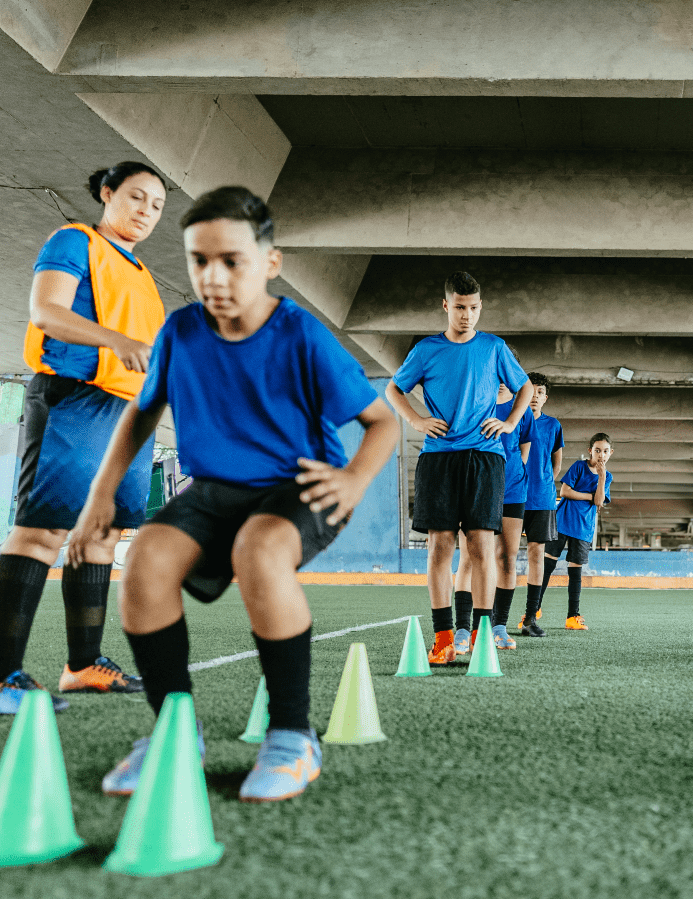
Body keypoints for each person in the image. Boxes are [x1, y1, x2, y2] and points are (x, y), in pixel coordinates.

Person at [69, 186, 399, 801]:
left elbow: (384, 423)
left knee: (260, 551)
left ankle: (293, 735)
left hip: (298, 487)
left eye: (232, 260)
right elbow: (141, 413)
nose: (213, 276)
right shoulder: (181, 332)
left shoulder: (302, 335)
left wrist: (353, 479)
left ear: (269, 263)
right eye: (199, 260)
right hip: (217, 489)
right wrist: (101, 494)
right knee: (143, 562)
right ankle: (174, 733)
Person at [0, 162, 168, 714]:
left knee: (102, 535)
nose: (146, 210)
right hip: (74, 397)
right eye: (137, 197)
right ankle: (2, 677)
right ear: (107, 192)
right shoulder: (74, 241)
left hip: (129, 415)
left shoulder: (143, 276)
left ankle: (82, 666)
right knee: (40, 532)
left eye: (157, 205)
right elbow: (45, 311)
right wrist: (114, 340)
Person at [387, 272, 532, 665]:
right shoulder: (426, 349)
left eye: (474, 308)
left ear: (479, 307)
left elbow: (526, 388)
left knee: (482, 546)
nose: (467, 315)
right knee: (440, 547)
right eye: (461, 307)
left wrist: (510, 422)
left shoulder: (494, 347)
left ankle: (483, 635)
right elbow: (393, 389)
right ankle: (445, 638)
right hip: (438, 457)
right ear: (446, 305)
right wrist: (416, 422)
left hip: (485, 457)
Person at [450, 356, 535, 651]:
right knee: (468, 557)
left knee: (507, 558)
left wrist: (508, 478)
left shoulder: (522, 411)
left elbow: (523, 454)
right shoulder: (475, 402)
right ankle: (463, 629)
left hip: (511, 490)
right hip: (475, 488)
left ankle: (498, 626)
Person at [539, 434, 613, 630]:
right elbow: (564, 491)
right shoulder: (579, 467)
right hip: (562, 522)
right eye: (597, 450)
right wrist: (589, 495)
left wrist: (602, 477)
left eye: (605, 451)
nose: (601, 455)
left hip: (583, 528)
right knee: (547, 567)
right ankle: (533, 610)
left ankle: (572, 616)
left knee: (576, 573)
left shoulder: (608, 477)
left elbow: (599, 501)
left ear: (610, 453)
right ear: (590, 451)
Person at [517, 373, 563, 637]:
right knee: (503, 555)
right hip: (513, 496)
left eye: (540, 392)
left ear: (546, 397)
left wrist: (543, 483)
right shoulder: (513, 419)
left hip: (542, 499)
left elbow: (556, 463)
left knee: (537, 555)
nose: (534, 395)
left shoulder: (553, 425)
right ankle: (493, 619)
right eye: (530, 390)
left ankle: (530, 618)